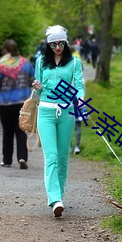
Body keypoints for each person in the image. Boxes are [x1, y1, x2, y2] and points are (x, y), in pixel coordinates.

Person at [32, 25, 85, 217]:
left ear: (66, 42)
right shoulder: (40, 62)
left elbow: (78, 86)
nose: (57, 47)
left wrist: (80, 100)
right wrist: (37, 86)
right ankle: (54, 199)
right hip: (45, 112)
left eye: (61, 43)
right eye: (53, 44)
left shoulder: (74, 62)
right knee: (51, 156)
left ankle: (59, 195)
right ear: (48, 44)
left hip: (67, 112)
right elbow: (38, 91)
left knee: (63, 157)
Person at [0, 39, 35, 169]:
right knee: (21, 131)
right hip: (22, 103)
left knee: (7, 132)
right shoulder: (26, 64)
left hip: (5, 103)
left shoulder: (1, 65)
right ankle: (22, 157)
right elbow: (33, 81)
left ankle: (7, 160)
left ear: (5, 51)